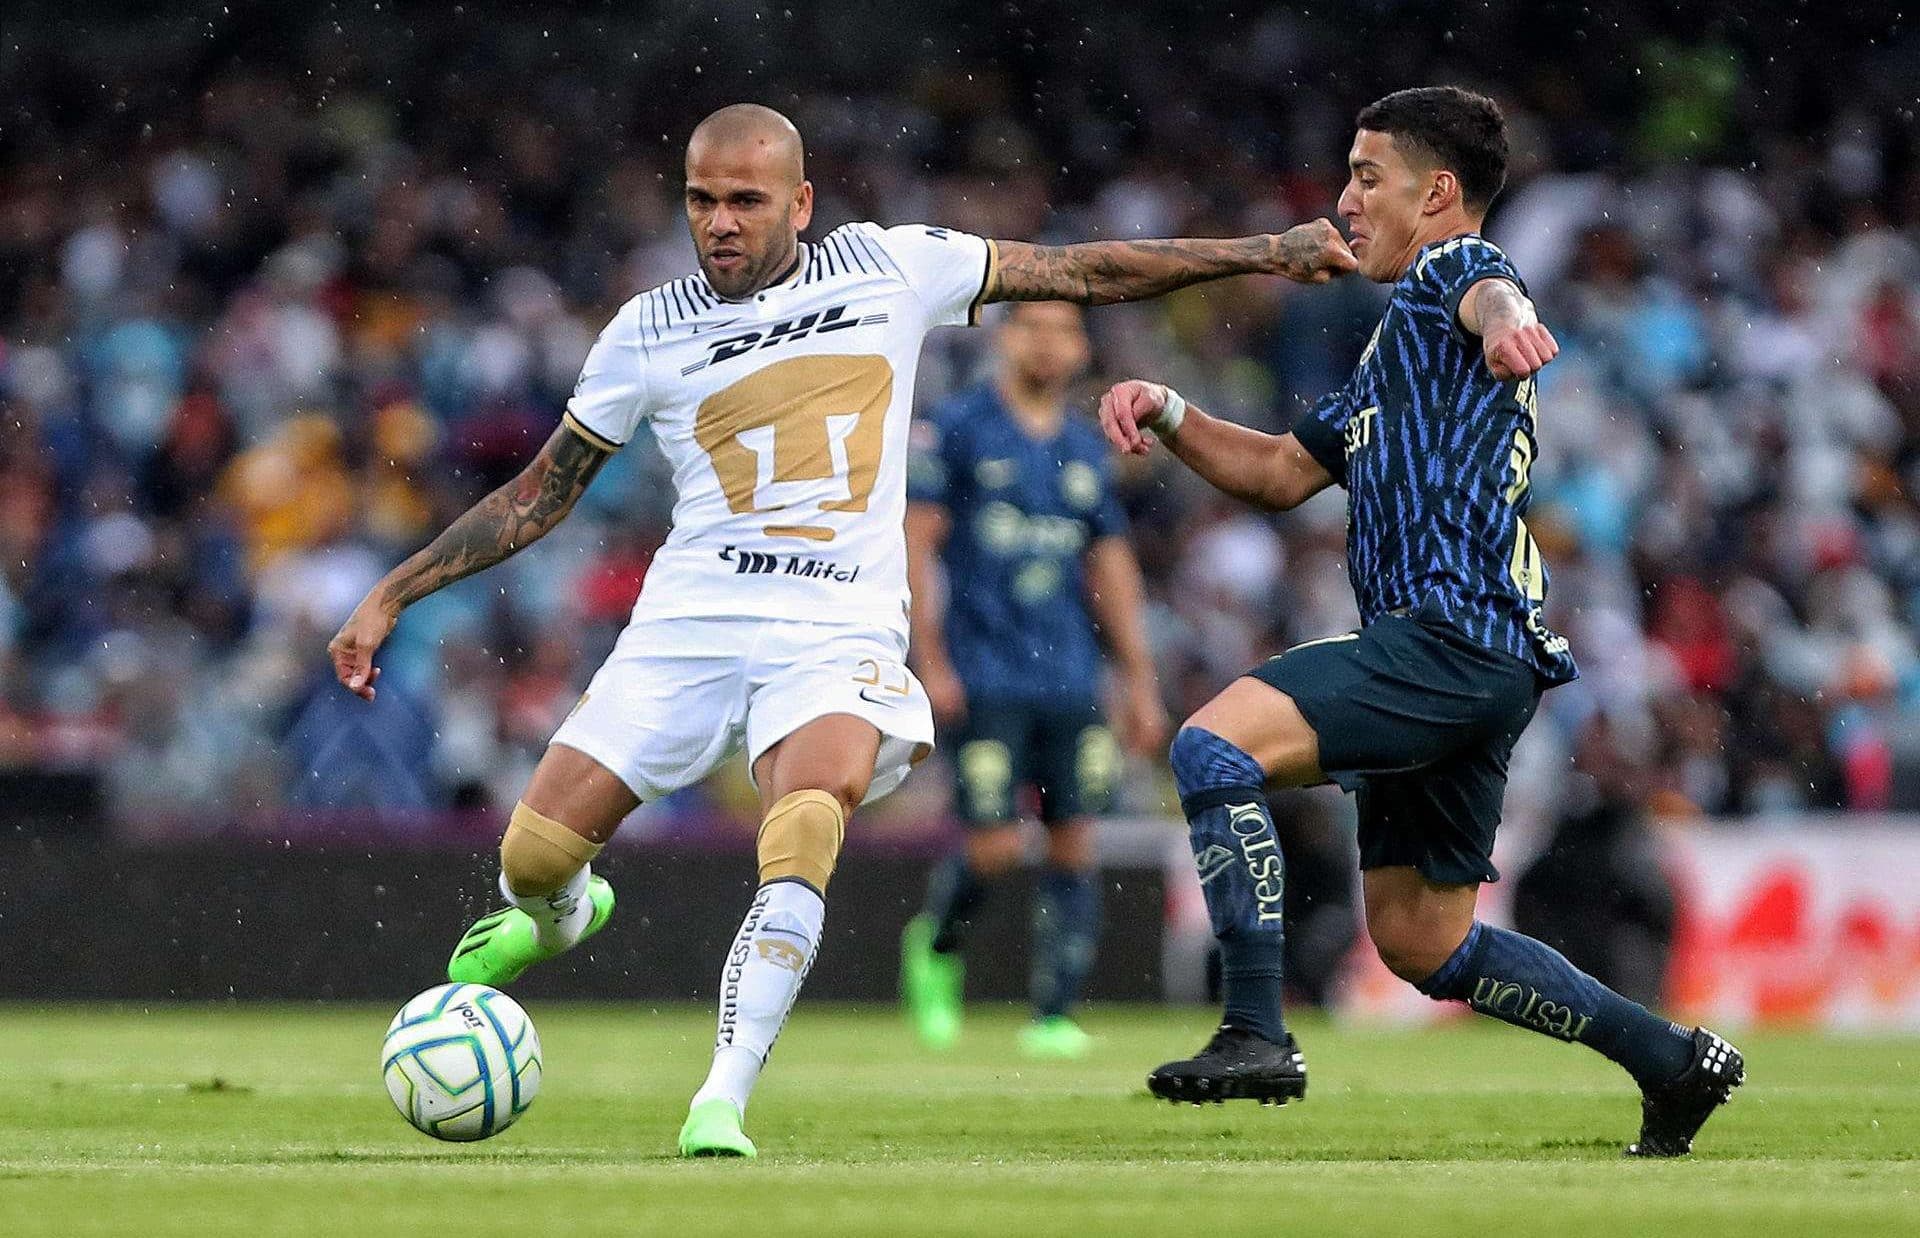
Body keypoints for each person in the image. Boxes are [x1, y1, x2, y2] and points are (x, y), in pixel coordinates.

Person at [327, 103, 1355, 1158]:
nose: (720, 222)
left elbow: (1082, 269)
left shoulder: (891, 267)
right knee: (533, 857)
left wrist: (1264, 252)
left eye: (746, 200)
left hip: (835, 626)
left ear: (801, 202)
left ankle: (720, 1097)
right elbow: (541, 493)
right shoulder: (645, 329)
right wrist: (393, 592)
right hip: (688, 626)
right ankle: (560, 912)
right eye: (701, 200)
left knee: (807, 819)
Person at [1096, 86, 1742, 1156]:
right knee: (1422, 942)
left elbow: (1489, 288)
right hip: (1482, 657)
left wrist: (1510, 318)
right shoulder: (1396, 348)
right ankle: (1672, 1062)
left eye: (1366, 177)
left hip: (1443, 637)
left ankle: (1255, 1028)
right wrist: (1170, 410)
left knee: (1212, 748)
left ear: (1437, 192)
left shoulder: (1454, 271)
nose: (1345, 201)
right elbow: (1278, 472)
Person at [897, 301, 1167, 1059]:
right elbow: (917, 546)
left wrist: (1138, 681)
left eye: (1065, 330)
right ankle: (937, 945)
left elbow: (1110, 567)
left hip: (1071, 678)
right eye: (1034, 327)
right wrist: (929, 660)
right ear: (1005, 337)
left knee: (1074, 840)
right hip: (983, 670)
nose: (1049, 343)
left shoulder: (1085, 447)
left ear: (1082, 349)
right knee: (993, 848)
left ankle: (1053, 1015)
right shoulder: (957, 428)